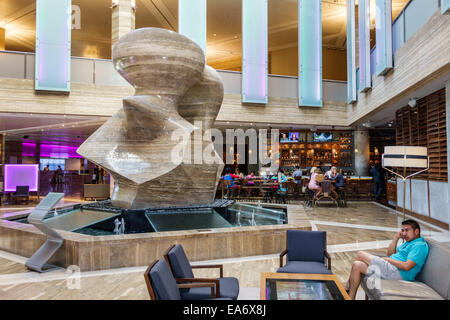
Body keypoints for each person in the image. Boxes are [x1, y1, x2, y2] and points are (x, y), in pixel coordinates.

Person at [344, 219, 429, 300]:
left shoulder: (419, 245)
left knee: (360, 254)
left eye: (407, 230)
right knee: (357, 265)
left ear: (416, 231)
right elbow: (391, 254)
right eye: (402, 230)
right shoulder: (409, 242)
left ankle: (347, 287)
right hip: (391, 270)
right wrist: (396, 238)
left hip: (398, 273)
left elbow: (407, 266)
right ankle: (350, 298)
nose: (404, 233)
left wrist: (387, 260)